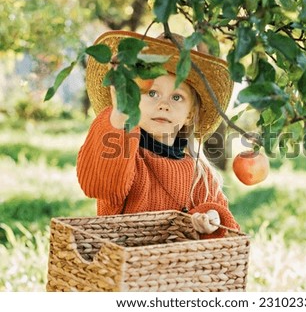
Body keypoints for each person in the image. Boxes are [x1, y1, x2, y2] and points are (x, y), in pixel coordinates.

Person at [77, 30, 239, 239]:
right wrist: (121, 113)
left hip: (180, 270)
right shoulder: (127, 157)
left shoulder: (200, 174)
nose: (163, 105)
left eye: (177, 97)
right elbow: (99, 186)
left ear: (190, 114)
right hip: (128, 265)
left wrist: (211, 219)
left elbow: (223, 228)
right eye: (152, 93)